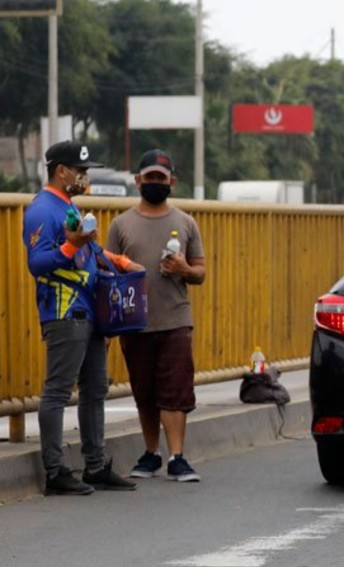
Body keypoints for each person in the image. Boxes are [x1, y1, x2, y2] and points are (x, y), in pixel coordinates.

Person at [23, 140, 143, 495]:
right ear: (61, 171)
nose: (85, 176)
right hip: (63, 310)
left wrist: (119, 262)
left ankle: (95, 465)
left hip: (89, 309)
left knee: (95, 388)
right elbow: (37, 262)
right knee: (58, 391)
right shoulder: (42, 210)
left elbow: (88, 247)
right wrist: (71, 245)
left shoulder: (68, 206)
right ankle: (55, 471)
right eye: (80, 170)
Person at [106, 149, 207, 482]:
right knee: (144, 391)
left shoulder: (185, 222)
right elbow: (107, 270)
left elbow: (201, 273)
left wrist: (183, 268)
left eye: (160, 178)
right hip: (134, 322)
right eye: (149, 178)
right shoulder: (121, 225)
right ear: (137, 181)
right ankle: (151, 454)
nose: (154, 183)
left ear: (172, 182)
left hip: (175, 319)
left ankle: (178, 456)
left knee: (176, 391)